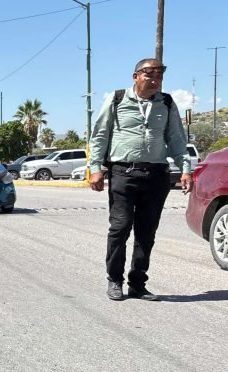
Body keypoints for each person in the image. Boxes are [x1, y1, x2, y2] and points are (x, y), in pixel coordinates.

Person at [88, 57, 192, 301]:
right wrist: (95, 168)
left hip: (156, 175)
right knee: (120, 227)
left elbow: (176, 138)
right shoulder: (116, 99)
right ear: (135, 76)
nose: (155, 80)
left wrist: (185, 168)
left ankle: (138, 284)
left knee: (146, 232)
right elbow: (100, 134)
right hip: (123, 172)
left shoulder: (166, 102)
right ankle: (115, 280)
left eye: (159, 75)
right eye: (149, 74)